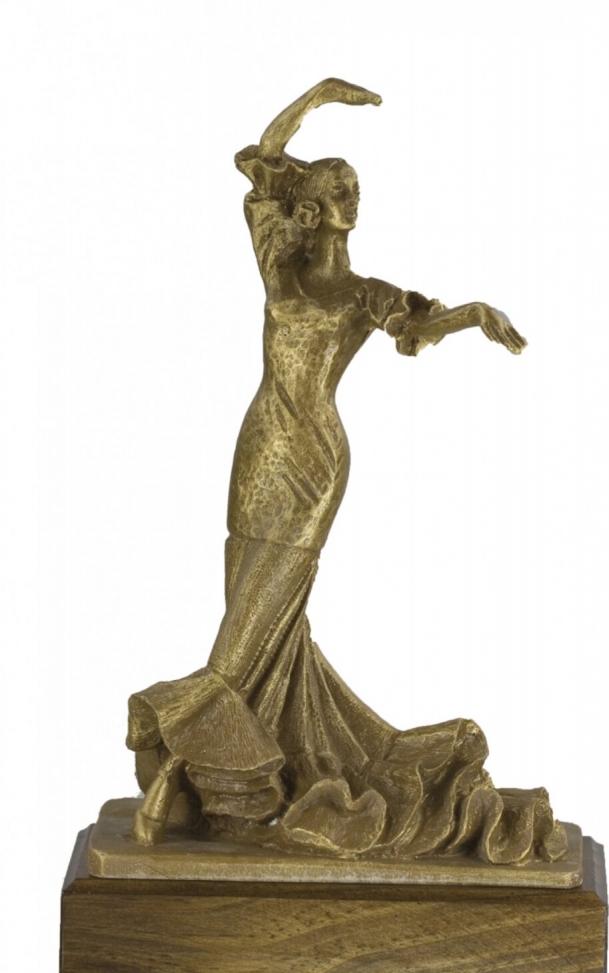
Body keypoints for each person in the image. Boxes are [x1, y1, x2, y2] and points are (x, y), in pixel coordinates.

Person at [126, 80, 566, 863]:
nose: (351, 198)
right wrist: (318, 96)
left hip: (313, 463)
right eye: (337, 190)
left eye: (355, 188)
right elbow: (265, 157)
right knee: (260, 624)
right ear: (307, 208)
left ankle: (173, 769)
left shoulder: (366, 294)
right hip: (259, 446)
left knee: (249, 626)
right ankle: (243, 784)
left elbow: (421, 322)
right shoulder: (280, 273)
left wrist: (472, 315)